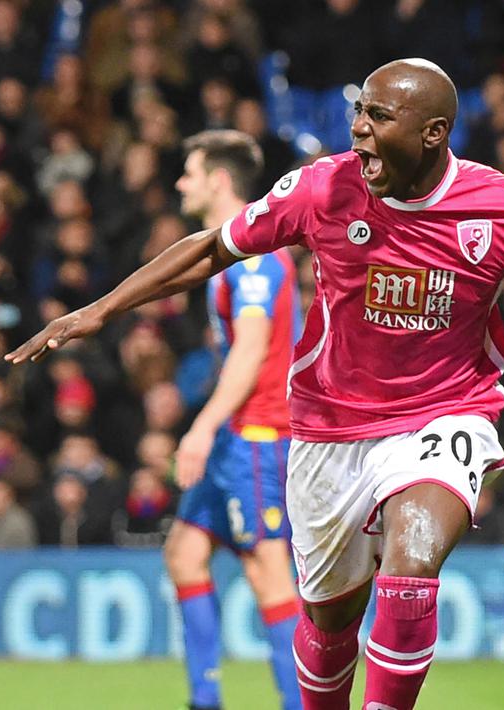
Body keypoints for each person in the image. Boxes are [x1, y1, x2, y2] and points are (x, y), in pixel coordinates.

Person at [6, 59, 504, 710]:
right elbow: (213, 247)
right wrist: (99, 310)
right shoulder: (321, 187)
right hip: (328, 430)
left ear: (432, 132)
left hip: (446, 413)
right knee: (331, 618)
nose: (359, 130)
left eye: (378, 117)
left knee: (411, 558)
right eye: (358, 114)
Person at [163, 130, 303, 710]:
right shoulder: (229, 251)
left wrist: (200, 426)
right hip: (235, 437)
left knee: (270, 576)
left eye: (190, 173)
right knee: (184, 554)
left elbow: (249, 353)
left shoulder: (252, 258)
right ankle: (205, 700)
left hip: (259, 436)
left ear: (219, 182)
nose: (180, 183)